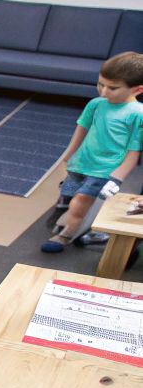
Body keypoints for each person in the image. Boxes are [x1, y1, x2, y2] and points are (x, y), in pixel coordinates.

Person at [41, 51, 143, 253]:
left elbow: (134, 151)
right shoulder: (96, 104)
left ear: (137, 89)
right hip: (81, 162)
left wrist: (116, 179)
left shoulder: (137, 114)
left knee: (80, 203)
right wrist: (70, 154)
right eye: (100, 84)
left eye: (112, 88)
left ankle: (65, 235)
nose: (104, 91)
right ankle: (67, 211)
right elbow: (82, 128)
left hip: (104, 169)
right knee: (69, 194)